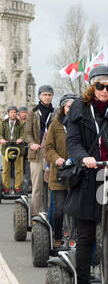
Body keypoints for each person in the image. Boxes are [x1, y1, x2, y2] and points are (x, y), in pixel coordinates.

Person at [64, 65, 108, 284]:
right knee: (86, 235)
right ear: (91, 86)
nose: (104, 90)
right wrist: (83, 157)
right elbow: (72, 141)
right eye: (100, 85)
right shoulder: (79, 109)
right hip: (88, 176)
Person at [45, 93, 76, 248]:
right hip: (58, 174)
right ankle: (57, 237)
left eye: (73, 106)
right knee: (59, 208)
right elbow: (48, 148)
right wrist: (57, 159)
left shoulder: (81, 124)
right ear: (63, 108)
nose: (71, 109)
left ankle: (76, 238)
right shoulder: (55, 125)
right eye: (68, 106)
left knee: (77, 209)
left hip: (76, 173)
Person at [25, 85, 54, 218]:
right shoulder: (33, 112)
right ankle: (36, 215)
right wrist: (32, 144)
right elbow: (27, 133)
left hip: (51, 154)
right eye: (44, 95)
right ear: (39, 96)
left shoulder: (56, 112)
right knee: (37, 187)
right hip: (36, 154)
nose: (47, 97)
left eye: (49, 95)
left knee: (51, 185)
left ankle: (50, 214)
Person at [0, 106, 25, 193]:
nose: (13, 114)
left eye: (15, 112)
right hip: (6, 149)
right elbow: (0, 134)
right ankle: (6, 187)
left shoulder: (20, 123)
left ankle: (17, 187)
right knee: (6, 170)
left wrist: (21, 139)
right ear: (8, 113)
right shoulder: (3, 123)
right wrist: (1, 139)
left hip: (18, 149)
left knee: (19, 169)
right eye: (11, 112)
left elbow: (23, 134)